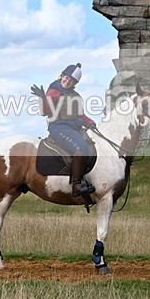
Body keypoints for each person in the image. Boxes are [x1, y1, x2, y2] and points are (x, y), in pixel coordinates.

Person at [31, 63, 98, 198]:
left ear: (74, 83)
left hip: (75, 128)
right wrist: (42, 98)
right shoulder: (54, 91)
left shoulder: (76, 95)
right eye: (65, 78)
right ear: (62, 76)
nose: (66, 81)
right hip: (59, 128)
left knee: (91, 145)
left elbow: (80, 115)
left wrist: (89, 122)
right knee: (81, 148)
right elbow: (45, 111)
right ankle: (76, 185)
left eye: (70, 80)